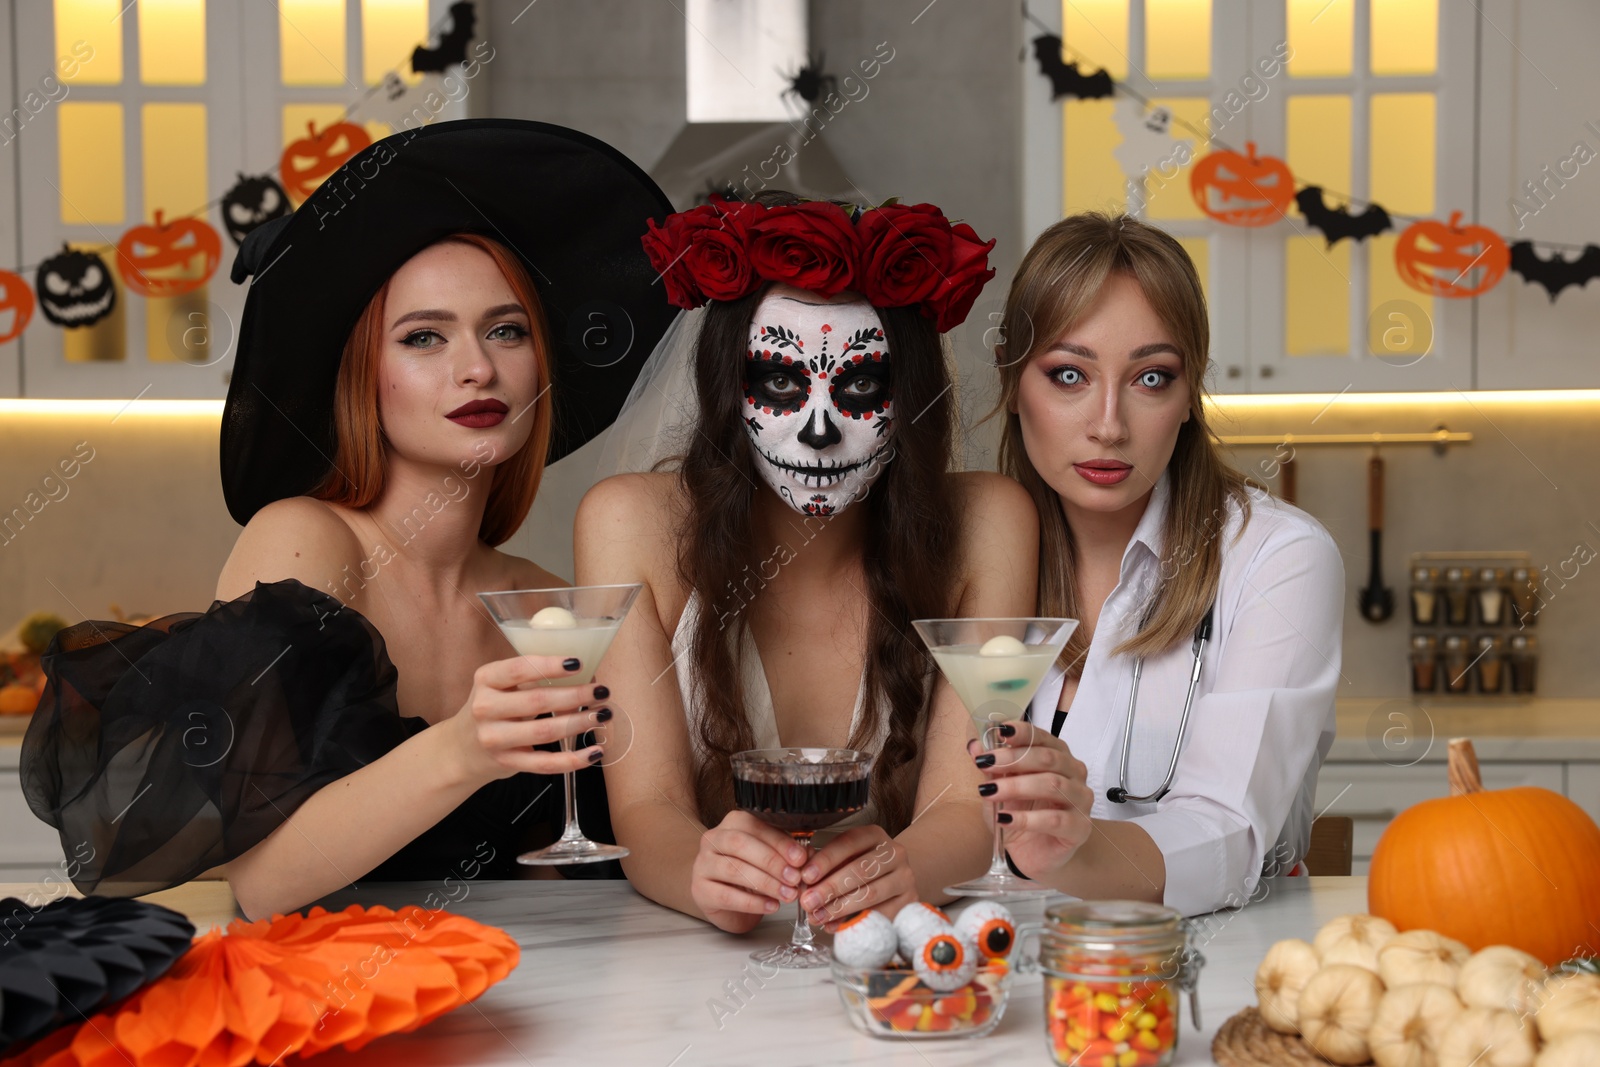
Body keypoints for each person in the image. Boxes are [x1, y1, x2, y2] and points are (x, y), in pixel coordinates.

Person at [20, 119, 680, 920]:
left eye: (505, 330)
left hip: (506, 995)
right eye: (424, 337)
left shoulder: (545, 603)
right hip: (333, 1012)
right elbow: (263, 885)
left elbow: (552, 879)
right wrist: (466, 747)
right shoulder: (306, 541)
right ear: (365, 378)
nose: (478, 366)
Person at [576, 191, 1037, 933]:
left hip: (905, 955)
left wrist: (902, 874)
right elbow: (645, 807)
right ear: (730, 389)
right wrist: (703, 874)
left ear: (909, 394)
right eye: (782, 382)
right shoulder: (629, 523)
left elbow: (965, 805)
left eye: (858, 385)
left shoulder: (988, 522)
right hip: (693, 976)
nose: (818, 430)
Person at [973, 212, 1343, 915]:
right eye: (1069, 374)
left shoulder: (1278, 558)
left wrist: (1073, 848)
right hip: (993, 967)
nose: (1108, 423)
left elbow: (1229, 833)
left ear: (1188, 396)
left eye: (1150, 376)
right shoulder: (971, 552)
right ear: (1013, 384)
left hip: (1207, 969)